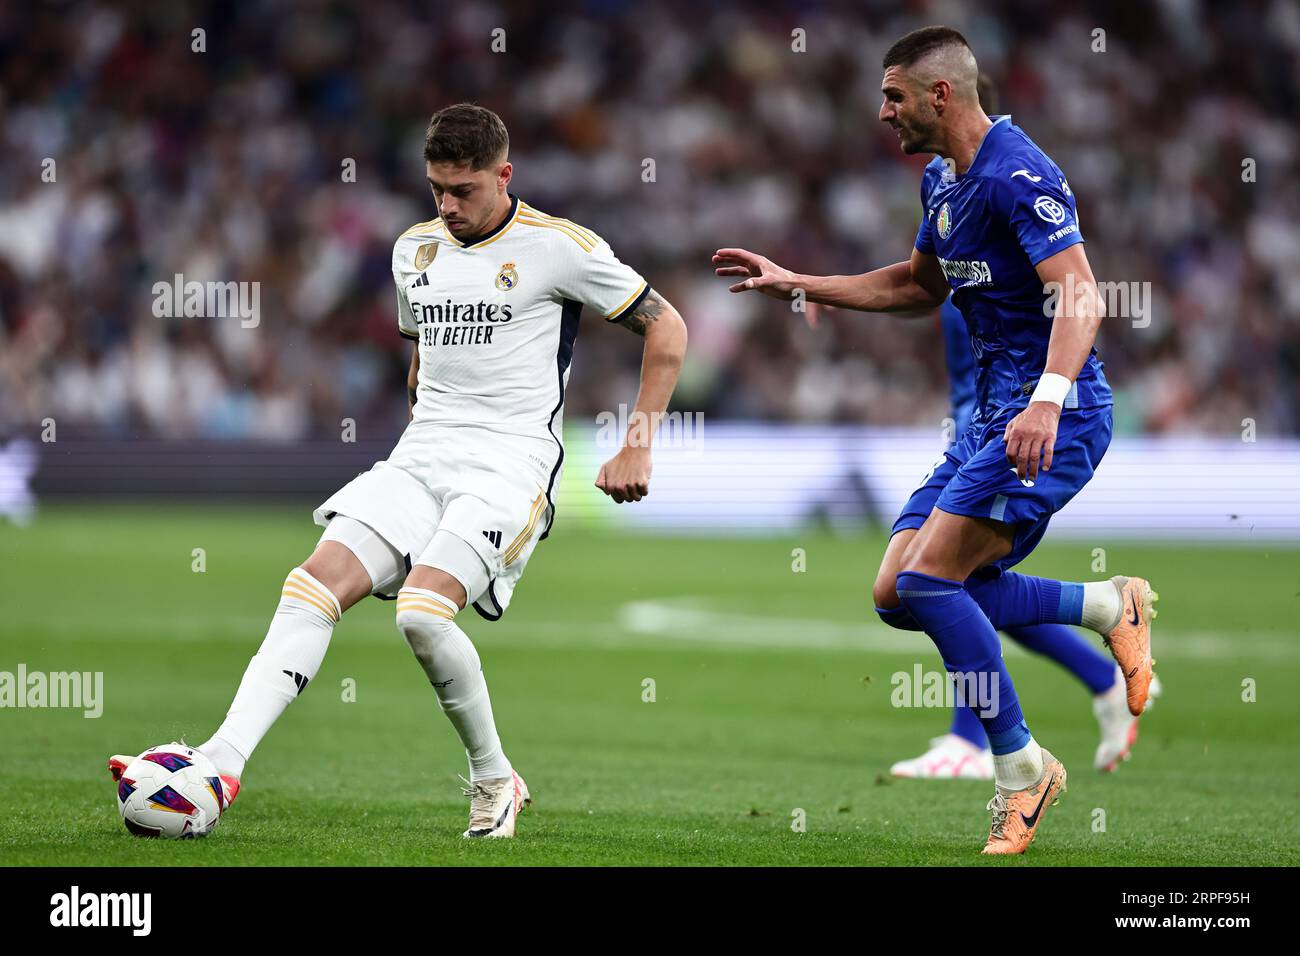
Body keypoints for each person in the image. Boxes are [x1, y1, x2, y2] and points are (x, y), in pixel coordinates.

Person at [110, 103, 688, 839]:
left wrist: (637, 442)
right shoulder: (413, 249)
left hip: (509, 466)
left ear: (504, 176)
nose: (448, 206)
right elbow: (422, 357)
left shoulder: (559, 247)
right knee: (310, 585)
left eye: (465, 190)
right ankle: (222, 764)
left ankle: (493, 781)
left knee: (421, 613)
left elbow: (667, 325)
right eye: (436, 189)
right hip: (421, 454)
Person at [714, 27, 1156, 854]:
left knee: (929, 581)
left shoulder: (1019, 174)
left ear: (940, 95)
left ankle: (1022, 771)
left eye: (893, 97)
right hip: (989, 421)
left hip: (1049, 418)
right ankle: (1105, 604)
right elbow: (916, 286)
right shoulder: (942, 184)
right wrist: (801, 284)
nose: (883, 113)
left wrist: (1047, 403)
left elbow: (1084, 298)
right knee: (895, 593)